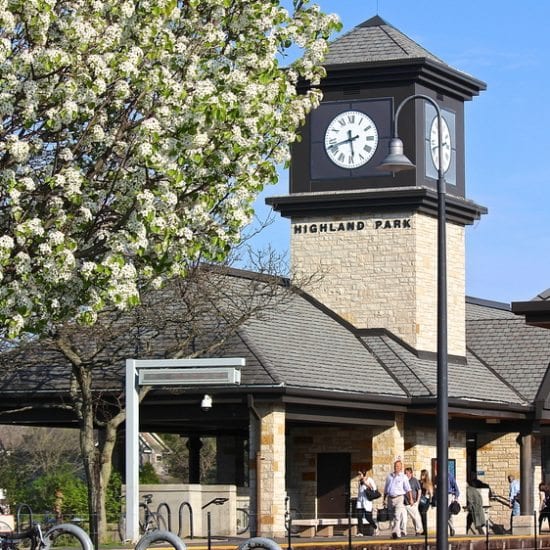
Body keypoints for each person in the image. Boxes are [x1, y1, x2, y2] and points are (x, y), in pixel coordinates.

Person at [383, 459, 413, 539]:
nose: (396, 467)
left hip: (399, 498)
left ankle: (395, 533)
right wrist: (384, 499)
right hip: (390, 498)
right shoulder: (389, 476)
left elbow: (408, 489)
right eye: (395, 466)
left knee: (397, 516)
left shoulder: (403, 477)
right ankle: (396, 533)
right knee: (391, 517)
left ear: (401, 467)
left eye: (398, 466)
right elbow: (386, 489)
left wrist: (411, 499)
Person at [356, 469, 379, 536]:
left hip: (367, 501)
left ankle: (375, 527)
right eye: (358, 474)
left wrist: (365, 483)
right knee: (359, 516)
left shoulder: (370, 480)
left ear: (363, 474)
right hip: (360, 500)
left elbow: (374, 489)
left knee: (368, 517)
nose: (359, 476)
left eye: (360, 474)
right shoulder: (360, 481)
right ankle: (360, 532)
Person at [404, 467, 423, 536]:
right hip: (404, 502)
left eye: (407, 473)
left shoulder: (414, 480)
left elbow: (419, 490)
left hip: (413, 502)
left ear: (411, 473)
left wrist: (417, 501)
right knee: (405, 518)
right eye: (405, 473)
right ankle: (403, 531)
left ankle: (419, 530)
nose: (406, 474)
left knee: (415, 517)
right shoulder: (403, 480)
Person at [419, 469, 433, 535]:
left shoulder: (428, 483)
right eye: (421, 475)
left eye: (423, 475)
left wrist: (430, 501)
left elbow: (431, 493)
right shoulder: (420, 482)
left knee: (423, 514)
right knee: (421, 515)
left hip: (426, 501)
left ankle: (425, 530)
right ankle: (424, 530)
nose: (422, 476)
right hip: (420, 500)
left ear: (426, 475)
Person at [447, 469, 460, 537]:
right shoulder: (438, 476)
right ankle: (451, 528)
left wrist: (456, 498)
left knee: (448, 513)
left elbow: (456, 488)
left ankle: (451, 528)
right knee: (445, 514)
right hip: (441, 495)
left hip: (449, 495)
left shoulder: (450, 476)